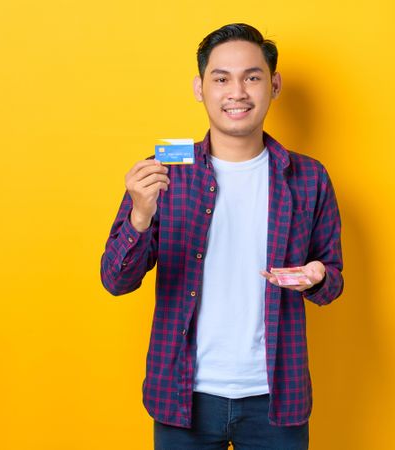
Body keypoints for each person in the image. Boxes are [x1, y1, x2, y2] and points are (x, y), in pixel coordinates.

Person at [100, 23, 343, 450]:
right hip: (182, 395)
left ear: (274, 85)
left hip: (276, 397)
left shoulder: (308, 176)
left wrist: (318, 276)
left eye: (252, 77)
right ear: (200, 88)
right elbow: (115, 281)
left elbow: (331, 284)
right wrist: (140, 215)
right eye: (221, 78)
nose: (237, 92)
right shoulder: (163, 171)